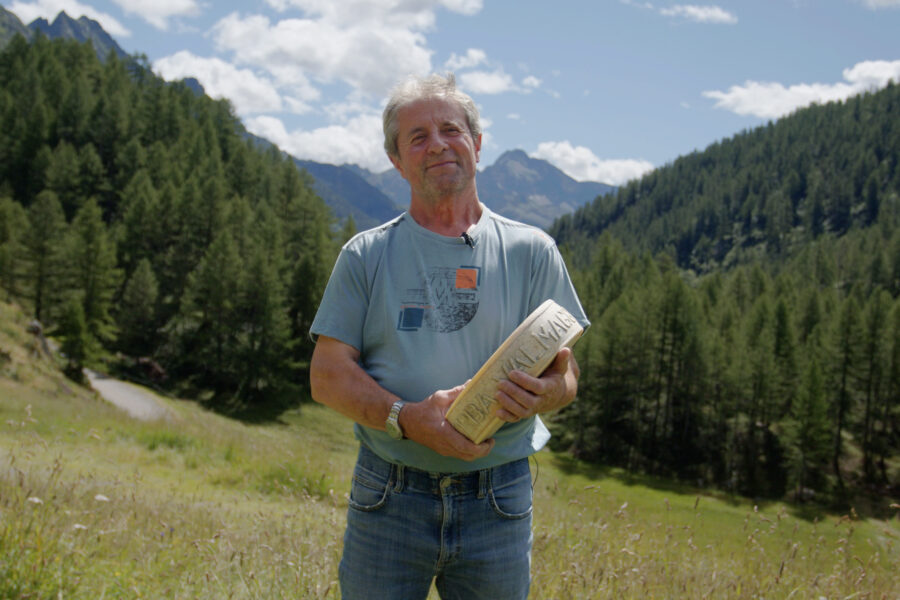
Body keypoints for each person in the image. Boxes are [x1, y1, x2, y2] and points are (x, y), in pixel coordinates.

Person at [309, 72, 589, 600]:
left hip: (499, 497)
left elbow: (567, 369)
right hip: (390, 490)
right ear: (396, 160)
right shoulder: (365, 255)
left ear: (477, 145)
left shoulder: (533, 251)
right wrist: (409, 419)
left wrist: (553, 392)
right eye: (417, 137)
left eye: (451, 130)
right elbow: (327, 376)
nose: (437, 144)